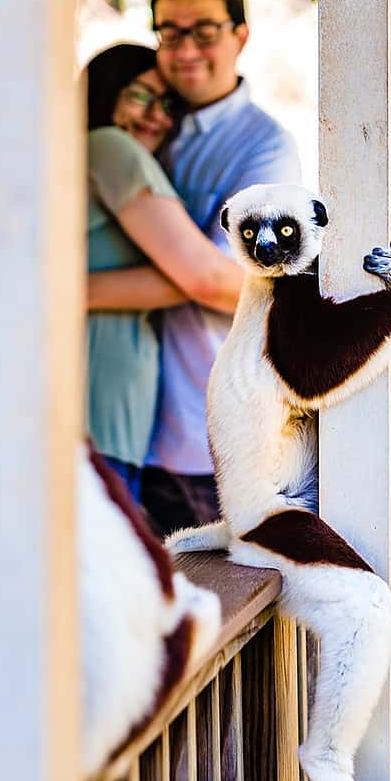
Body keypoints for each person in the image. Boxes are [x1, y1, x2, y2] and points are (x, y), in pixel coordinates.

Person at [139, 0, 303, 537]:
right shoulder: (144, 125)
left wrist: (67, 289)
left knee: (216, 592)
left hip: (204, 436)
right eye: (170, 33)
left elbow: (226, 281)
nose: (186, 50)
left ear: (240, 35)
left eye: (204, 32)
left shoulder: (265, 148)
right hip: (121, 426)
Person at [81, 45, 243, 506]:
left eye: (169, 104)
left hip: (110, 434)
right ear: (105, 92)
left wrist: (75, 291)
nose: (158, 115)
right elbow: (205, 279)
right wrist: (287, 287)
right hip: (95, 431)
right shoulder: (109, 145)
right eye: (140, 95)